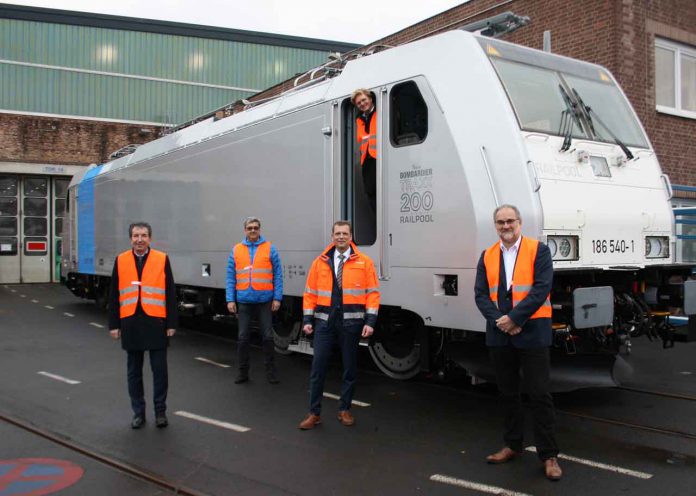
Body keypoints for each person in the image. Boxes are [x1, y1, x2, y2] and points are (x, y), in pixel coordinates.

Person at [474, 204, 562, 481]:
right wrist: (500, 320)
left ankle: (549, 455)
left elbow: (541, 288)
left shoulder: (540, 250)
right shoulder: (487, 255)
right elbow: (480, 295)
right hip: (500, 334)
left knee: (540, 395)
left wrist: (514, 318)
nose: (505, 226)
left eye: (510, 221)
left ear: (520, 222)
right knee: (508, 393)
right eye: (500, 222)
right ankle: (513, 445)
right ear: (495, 225)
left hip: (532, 331)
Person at [298, 221, 380, 430]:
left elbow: (372, 293)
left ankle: (344, 409)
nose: (341, 237)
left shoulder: (365, 262)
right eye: (337, 233)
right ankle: (314, 413)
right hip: (324, 323)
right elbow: (310, 294)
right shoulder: (320, 262)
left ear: (351, 236)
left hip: (351, 323)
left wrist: (370, 322)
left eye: (345, 233)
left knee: (349, 369)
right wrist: (307, 321)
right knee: (318, 368)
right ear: (332, 236)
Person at [109, 222, 177, 429]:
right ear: (130, 238)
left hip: (156, 321)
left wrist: (171, 323)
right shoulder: (120, 260)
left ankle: (160, 412)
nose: (140, 239)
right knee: (134, 372)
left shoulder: (162, 259)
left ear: (150, 238)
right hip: (130, 322)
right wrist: (114, 325)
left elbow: (170, 292)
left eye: (144, 235)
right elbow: (114, 295)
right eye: (136, 235)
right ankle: (138, 413)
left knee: (160, 371)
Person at [226, 217, 283, 384]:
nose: (252, 230)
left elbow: (278, 275)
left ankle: (271, 372)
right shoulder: (236, 250)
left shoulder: (270, 249)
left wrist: (277, 298)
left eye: (255, 228)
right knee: (243, 338)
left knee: (267, 337)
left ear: (260, 230)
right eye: (249, 228)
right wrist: (230, 299)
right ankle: (243, 373)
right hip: (244, 300)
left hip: (264, 300)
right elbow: (230, 277)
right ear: (245, 230)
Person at [352, 88, 377, 212]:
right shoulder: (359, 119)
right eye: (358, 103)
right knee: (371, 194)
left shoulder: (380, 112)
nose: (362, 104)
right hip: (367, 162)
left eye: (363, 100)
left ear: (370, 99)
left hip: (379, 159)